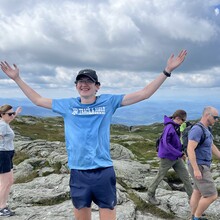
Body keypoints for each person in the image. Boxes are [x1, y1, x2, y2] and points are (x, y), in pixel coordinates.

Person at [0, 49, 187, 220]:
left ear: (97, 86)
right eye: (80, 81)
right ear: (76, 86)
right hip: (78, 171)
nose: (84, 84)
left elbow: (144, 94)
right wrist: (17, 79)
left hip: (103, 171)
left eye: (89, 81)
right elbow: (38, 100)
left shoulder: (108, 102)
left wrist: (166, 71)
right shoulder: (68, 105)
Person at [147, 110, 193, 205]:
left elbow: (175, 142)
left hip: (176, 157)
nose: (183, 123)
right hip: (167, 158)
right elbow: (166, 144)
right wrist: (179, 154)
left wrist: (180, 152)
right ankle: (150, 195)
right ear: (177, 118)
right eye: (182, 120)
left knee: (185, 177)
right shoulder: (169, 127)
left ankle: (192, 198)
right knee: (160, 176)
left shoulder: (175, 126)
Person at [187, 106, 220, 220]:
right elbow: (190, 149)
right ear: (207, 115)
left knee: (197, 191)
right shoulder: (197, 129)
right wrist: (196, 169)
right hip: (199, 166)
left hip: (201, 165)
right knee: (212, 195)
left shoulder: (206, 129)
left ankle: (193, 216)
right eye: (215, 117)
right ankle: (197, 217)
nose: (217, 120)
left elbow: (210, 144)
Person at [0, 104, 22, 217]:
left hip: (7, 154)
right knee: (5, 182)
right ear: (2, 115)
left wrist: (16, 114)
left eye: (12, 113)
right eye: (10, 114)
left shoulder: (5, 123)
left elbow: (7, 122)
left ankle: (2, 205)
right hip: (3, 154)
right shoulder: (2, 125)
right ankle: (1, 207)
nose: (12, 115)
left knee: (9, 181)